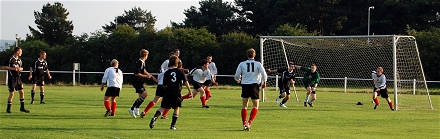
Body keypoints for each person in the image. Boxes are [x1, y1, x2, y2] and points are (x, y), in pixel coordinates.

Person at [149, 56, 191, 130]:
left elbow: (164, 84)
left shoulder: (167, 72)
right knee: (176, 108)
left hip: (168, 92)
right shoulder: (180, 71)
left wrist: (167, 91)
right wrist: (190, 91)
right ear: (177, 63)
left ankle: (154, 118)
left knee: (162, 108)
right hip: (176, 92)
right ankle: (172, 126)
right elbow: (186, 82)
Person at [234, 48, 267, 131]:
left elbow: (237, 75)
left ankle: (244, 124)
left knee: (244, 106)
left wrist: (238, 79)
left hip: (245, 85)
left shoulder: (242, 64)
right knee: (255, 106)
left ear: (246, 55)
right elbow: (264, 74)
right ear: (254, 55)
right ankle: (249, 123)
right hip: (254, 86)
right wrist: (264, 82)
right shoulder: (258, 64)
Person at [128, 49, 157, 118]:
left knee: (141, 96)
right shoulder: (139, 62)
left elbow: (143, 70)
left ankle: (134, 108)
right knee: (145, 94)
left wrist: (151, 76)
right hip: (136, 81)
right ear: (145, 55)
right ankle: (134, 108)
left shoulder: (142, 62)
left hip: (139, 81)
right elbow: (137, 73)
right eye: (147, 55)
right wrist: (146, 76)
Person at [3, 47, 30, 113]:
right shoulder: (10, 59)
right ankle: (8, 109)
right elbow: (4, 67)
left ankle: (22, 107)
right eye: (20, 51)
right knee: (12, 94)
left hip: (18, 78)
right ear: (17, 51)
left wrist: (20, 69)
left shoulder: (20, 60)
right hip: (12, 78)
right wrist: (13, 69)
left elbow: (21, 68)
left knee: (21, 92)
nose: (21, 53)